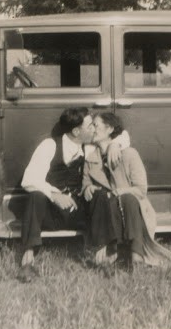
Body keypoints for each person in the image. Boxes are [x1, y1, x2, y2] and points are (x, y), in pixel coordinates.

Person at [18, 107, 129, 282]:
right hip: (51, 212)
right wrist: (54, 195)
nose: (94, 129)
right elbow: (29, 179)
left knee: (99, 195)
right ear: (77, 131)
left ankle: (102, 259)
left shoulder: (89, 146)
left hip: (77, 210)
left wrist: (116, 144)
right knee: (35, 195)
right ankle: (27, 262)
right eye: (90, 126)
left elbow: (123, 134)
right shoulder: (50, 145)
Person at [83, 112, 171, 270]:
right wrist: (88, 188)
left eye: (96, 125)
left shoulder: (130, 154)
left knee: (128, 198)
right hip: (106, 212)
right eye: (91, 126)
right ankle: (113, 252)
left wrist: (118, 192)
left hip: (131, 208)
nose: (92, 129)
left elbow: (141, 190)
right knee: (108, 198)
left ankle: (136, 256)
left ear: (109, 129)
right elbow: (84, 186)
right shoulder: (91, 158)